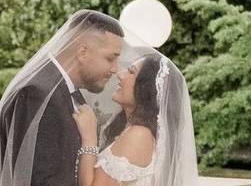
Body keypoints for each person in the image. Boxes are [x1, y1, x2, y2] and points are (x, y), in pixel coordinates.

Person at [0, 10, 125, 186]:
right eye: (110, 58)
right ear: (83, 52)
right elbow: (36, 179)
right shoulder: (36, 94)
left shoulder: (71, 95)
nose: (115, 69)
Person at [71, 53, 199, 186]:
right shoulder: (130, 129)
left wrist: (89, 139)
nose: (120, 75)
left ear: (147, 88)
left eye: (131, 72)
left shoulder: (139, 135)